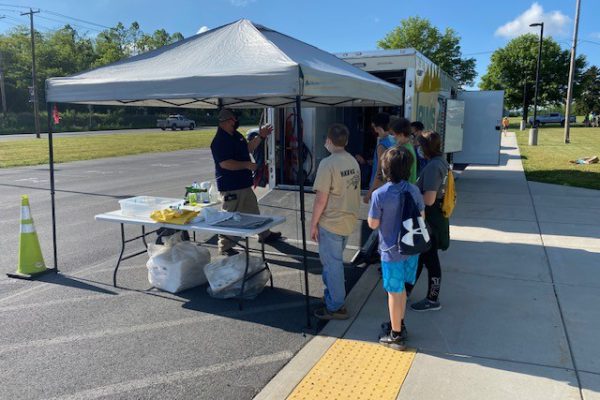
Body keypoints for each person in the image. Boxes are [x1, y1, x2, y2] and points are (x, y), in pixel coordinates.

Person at [368, 146, 423, 350]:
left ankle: (395, 334)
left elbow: (373, 224)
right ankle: (399, 323)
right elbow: (421, 218)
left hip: (391, 252)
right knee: (403, 292)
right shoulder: (414, 190)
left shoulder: (379, 194)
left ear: (385, 169)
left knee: (393, 292)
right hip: (411, 249)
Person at [210, 109, 281, 255]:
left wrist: (261, 137)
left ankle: (264, 234)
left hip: (243, 183)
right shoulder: (219, 141)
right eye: (234, 119)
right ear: (228, 120)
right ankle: (225, 246)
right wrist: (246, 165)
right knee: (228, 216)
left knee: (253, 210)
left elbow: (247, 148)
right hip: (231, 186)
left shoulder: (235, 135)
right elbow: (225, 164)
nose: (236, 122)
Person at [311, 123, 361, 320]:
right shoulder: (352, 161)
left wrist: (313, 223)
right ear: (346, 141)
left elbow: (320, 199)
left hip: (331, 222)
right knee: (334, 263)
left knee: (333, 266)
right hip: (347, 220)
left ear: (329, 141)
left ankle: (335, 305)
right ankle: (332, 296)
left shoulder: (327, 164)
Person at [405, 131, 450, 312]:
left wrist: (411, 198)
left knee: (430, 258)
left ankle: (432, 299)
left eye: (419, 146)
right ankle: (407, 290)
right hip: (434, 218)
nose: (418, 149)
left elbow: (429, 198)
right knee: (422, 256)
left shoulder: (433, 167)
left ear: (425, 147)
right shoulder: (441, 162)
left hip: (429, 219)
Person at [364, 113, 396, 204]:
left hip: (380, 190)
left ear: (377, 127)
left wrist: (369, 194)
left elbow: (379, 172)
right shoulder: (394, 141)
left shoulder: (382, 146)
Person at [391, 118, 417, 184]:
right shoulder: (408, 146)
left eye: (394, 134)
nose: (393, 137)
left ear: (401, 135)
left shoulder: (403, 151)